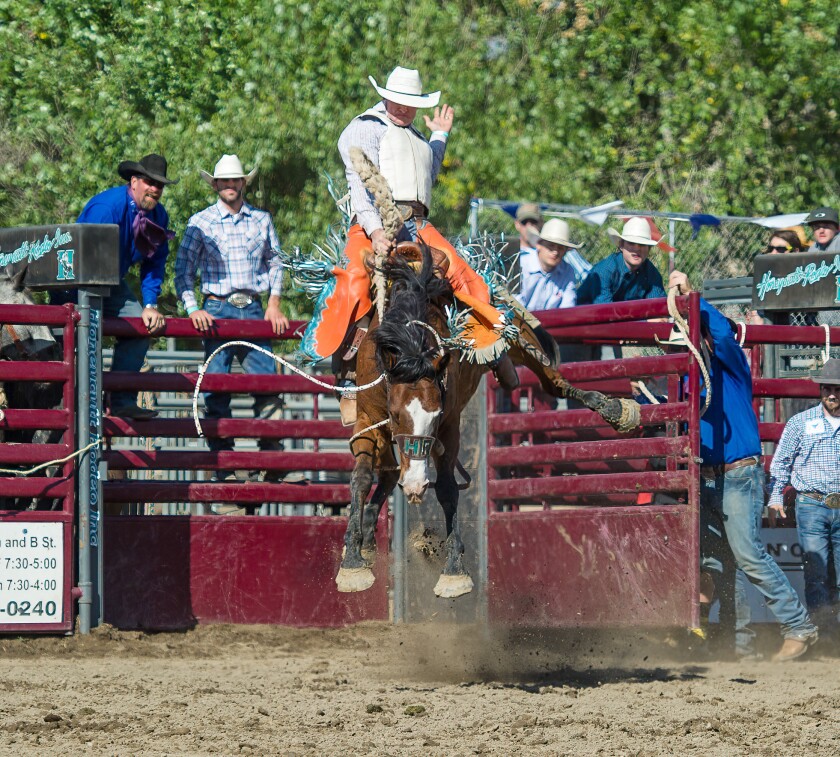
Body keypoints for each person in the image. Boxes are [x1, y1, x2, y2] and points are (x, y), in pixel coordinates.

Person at [302, 65, 518, 423]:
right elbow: (360, 185)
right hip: (374, 223)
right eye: (398, 101)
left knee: (467, 277)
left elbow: (427, 175)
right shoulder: (365, 128)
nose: (403, 108)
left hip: (419, 225)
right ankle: (347, 372)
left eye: (410, 102)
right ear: (385, 96)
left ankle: (491, 350)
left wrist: (440, 137)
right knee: (355, 280)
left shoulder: (417, 136)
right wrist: (374, 231)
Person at [665, 270, 818, 661]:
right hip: (710, 475)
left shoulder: (727, 363)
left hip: (737, 472)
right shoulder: (687, 381)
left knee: (746, 553)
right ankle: (740, 645)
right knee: (719, 560)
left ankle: (798, 625)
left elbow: (719, 330)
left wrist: (691, 298)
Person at [174, 154, 288, 483]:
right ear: (216, 185)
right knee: (215, 385)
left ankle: (270, 459)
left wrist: (274, 302)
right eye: (224, 181)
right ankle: (224, 462)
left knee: (267, 382)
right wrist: (193, 308)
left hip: (253, 306)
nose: (229, 186)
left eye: (235, 180)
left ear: (242, 183)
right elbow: (183, 271)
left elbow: (276, 262)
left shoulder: (262, 219)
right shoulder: (201, 222)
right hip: (215, 308)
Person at [53, 153, 177, 418]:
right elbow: (78, 254)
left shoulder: (159, 215)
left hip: (111, 282)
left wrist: (151, 304)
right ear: (134, 181)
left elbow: (155, 263)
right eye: (149, 181)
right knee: (69, 342)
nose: (155, 188)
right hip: (75, 281)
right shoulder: (107, 208)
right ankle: (64, 409)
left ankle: (120, 402)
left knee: (141, 327)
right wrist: (81, 304)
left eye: (160, 185)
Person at [768, 359, 840, 644]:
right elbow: (781, 462)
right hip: (811, 503)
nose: (831, 395)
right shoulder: (800, 422)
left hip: (824, 504)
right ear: (820, 391)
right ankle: (825, 637)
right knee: (817, 573)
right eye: (827, 389)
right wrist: (776, 497)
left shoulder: (802, 422)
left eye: (836, 389)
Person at [576, 217, 666, 305]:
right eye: (631, 243)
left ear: (649, 248)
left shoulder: (651, 272)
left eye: (642, 244)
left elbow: (658, 305)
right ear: (621, 245)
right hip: (586, 317)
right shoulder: (605, 270)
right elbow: (603, 311)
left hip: (622, 317)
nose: (637, 248)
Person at [516, 219, 578, 312]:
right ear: (539, 245)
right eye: (551, 246)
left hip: (552, 324)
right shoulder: (520, 265)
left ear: (566, 251)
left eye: (561, 247)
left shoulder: (567, 271)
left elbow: (568, 309)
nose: (555, 252)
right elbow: (515, 306)